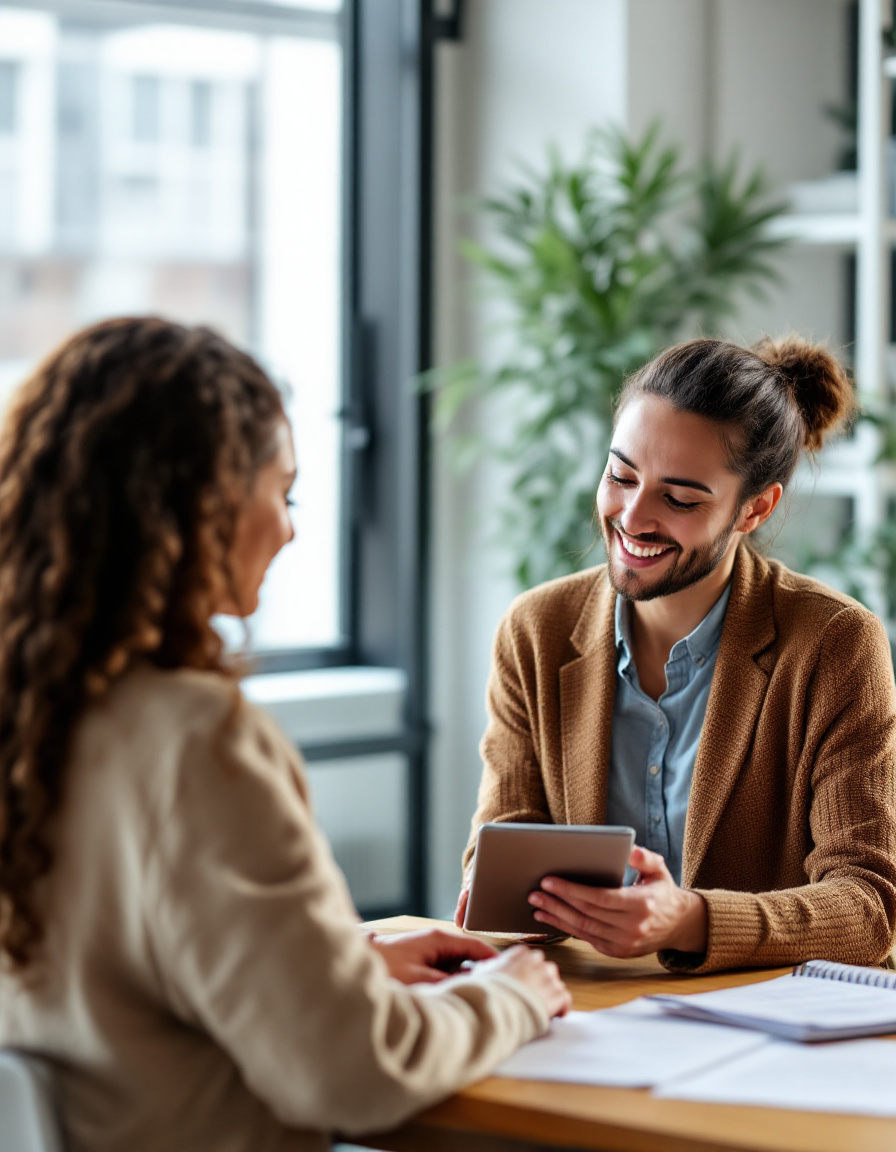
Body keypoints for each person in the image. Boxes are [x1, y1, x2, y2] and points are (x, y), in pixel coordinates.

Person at [0, 317, 571, 1152]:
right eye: (286, 492)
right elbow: (358, 1071)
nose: (292, 529)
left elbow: (119, 983)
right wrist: (514, 994)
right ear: (204, 504)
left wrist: (339, 965)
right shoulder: (196, 739)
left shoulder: (37, 713)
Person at [455, 335, 896, 974]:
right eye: (620, 475)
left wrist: (689, 919)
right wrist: (500, 893)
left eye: (680, 498)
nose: (632, 517)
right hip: (592, 1010)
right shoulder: (536, 631)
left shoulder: (832, 644)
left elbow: (871, 908)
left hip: (764, 1034)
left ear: (754, 508)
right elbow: (504, 843)